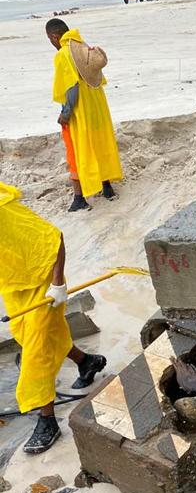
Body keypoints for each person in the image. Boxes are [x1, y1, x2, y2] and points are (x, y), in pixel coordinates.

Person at [0, 182, 107, 454]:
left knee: (36, 352)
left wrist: (58, 285)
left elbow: (54, 237)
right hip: (15, 287)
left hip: (43, 282)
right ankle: (87, 362)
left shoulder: (6, 213)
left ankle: (47, 421)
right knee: (45, 336)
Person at [46, 19, 122, 213]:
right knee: (99, 145)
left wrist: (65, 113)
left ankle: (79, 198)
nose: (51, 43)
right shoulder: (83, 47)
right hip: (98, 107)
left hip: (81, 111)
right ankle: (107, 188)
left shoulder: (64, 54)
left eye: (49, 39)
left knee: (76, 151)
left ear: (55, 36)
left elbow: (71, 87)